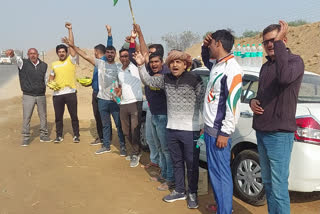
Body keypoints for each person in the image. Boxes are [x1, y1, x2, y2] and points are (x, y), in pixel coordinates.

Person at [133, 50, 205, 209]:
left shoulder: (195, 79)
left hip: (191, 130)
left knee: (191, 164)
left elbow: (203, 103)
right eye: (172, 62)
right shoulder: (166, 79)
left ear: (185, 64)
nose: (174, 65)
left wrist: (203, 126)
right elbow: (148, 81)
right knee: (177, 162)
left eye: (178, 62)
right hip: (172, 128)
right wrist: (140, 65)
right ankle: (180, 190)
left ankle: (192, 193)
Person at [249, 20, 304, 214]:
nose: (270, 44)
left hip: (280, 135)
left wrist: (280, 46)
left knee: (279, 188)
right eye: (266, 42)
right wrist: (253, 101)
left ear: (284, 40)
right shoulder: (265, 67)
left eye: (274, 40)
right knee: (268, 184)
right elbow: (262, 94)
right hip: (262, 131)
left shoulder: (295, 62)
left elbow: (284, 78)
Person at [61, 36, 126, 156]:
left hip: (115, 100)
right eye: (108, 52)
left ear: (115, 54)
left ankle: (123, 147)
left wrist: (119, 92)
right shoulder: (100, 63)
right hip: (102, 100)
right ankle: (106, 146)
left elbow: (122, 83)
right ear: (105, 53)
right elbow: (84, 55)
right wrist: (72, 46)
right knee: (106, 124)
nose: (110, 54)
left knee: (119, 125)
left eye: (112, 52)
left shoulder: (118, 67)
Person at [202, 30, 243, 214]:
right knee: (214, 173)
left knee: (222, 175)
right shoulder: (218, 65)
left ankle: (225, 211)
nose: (209, 46)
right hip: (210, 130)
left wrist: (225, 133)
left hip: (220, 132)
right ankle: (222, 206)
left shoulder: (232, 69)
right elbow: (206, 60)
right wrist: (204, 45)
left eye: (211, 44)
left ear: (218, 43)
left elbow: (232, 105)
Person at [6, 48, 52, 146]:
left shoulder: (44, 65)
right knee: (26, 117)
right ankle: (26, 137)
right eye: (30, 54)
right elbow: (15, 59)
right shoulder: (23, 63)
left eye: (34, 53)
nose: (32, 55)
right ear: (28, 55)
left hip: (41, 95)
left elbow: (46, 79)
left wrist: (52, 82)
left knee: (43, 116)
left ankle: (44, 135)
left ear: (38, 54)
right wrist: (12, 54)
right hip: (28, 95)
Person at [49, 22, 80, 143]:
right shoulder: (54, 64)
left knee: (74, 116)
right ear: (57, 53)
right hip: (57, 95)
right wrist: (50, 83)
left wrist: (70, 30)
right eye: (59, 52)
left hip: (71, 93)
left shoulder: (71, 60)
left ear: (66, 52)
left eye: (63, 51)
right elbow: (51, 77)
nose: (61, 53)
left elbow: (72, 48)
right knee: (58, 117)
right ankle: (59, 136)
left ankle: (76, 135)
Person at [116, 35, 143, 167]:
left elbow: (134, 52)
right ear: (119, 58)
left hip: (135, 102)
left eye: (126, 56)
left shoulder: (134, 67)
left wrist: (133, 40)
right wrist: (118, 93)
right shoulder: (119, 71)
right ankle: (136, 150)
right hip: (123, 104)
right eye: (122, 56)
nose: (124, 58)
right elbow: (120, 86)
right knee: (126, 131)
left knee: (135, 130)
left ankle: (135, 153)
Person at [90, 24, 113, 146]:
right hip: (95, 92)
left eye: (94, 52)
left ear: (97, 52)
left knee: (104, 117)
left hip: (103, 94)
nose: (93, 54)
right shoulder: (97, 63)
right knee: (97, 116)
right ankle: (101, 137)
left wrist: (109, 33)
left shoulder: (104, 59)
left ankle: (107, 138)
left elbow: (109, 46)